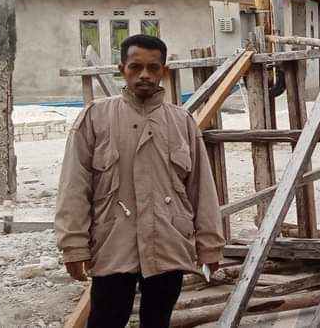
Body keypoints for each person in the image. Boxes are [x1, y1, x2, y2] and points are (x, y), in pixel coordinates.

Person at [55, 34, 225, 328]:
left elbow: (202, 190)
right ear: (122, 68)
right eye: (136, 67)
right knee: (106, 320)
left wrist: (210, 246)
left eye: (153, 67)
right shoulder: (96, 118)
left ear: (163, 71)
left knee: (157, 321)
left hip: (168, 242)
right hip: (113, 244)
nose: (144, 75)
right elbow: (73, 186)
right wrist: (73, 246)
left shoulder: (182, 122)